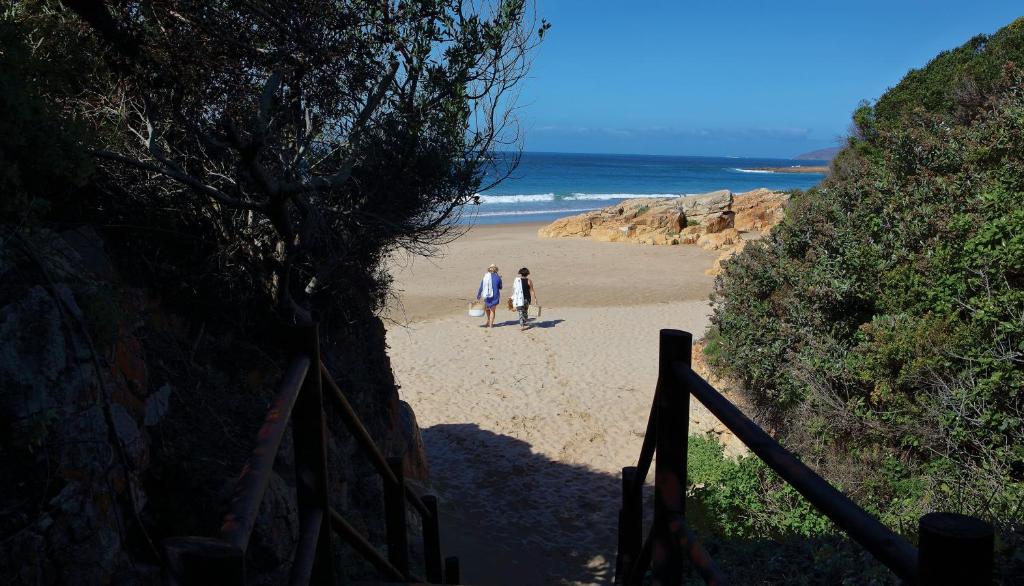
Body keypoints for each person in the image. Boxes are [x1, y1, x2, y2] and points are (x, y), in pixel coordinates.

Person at [476, 263, 502, 328]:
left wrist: (479, 295)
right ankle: (491, 324)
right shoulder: (498, 277)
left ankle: (488, 321)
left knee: (487, 309)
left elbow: (482, 286)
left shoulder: (485, 277)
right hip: (495, 295)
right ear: (496, 270)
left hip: (487, 295)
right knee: (492, 310)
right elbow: (500, 287)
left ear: (489, 270)